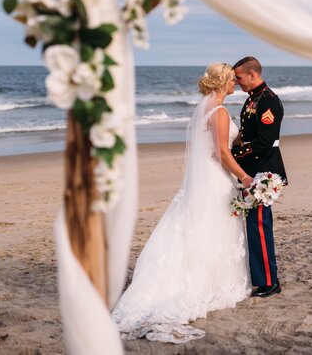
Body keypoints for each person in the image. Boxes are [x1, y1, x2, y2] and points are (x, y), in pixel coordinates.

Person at [112, 63, 252, 343]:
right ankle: (209, 283)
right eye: (231, 81)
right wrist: (245, 177)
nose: (235, 84)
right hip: (215, 180)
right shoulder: (220, 112)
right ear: (223, 83)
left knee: (197, 227)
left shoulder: (204, 110)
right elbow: (222, 154)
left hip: (203, 181)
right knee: (214, 228)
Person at [233, 56, 287, 298]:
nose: (236, 82)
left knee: (259, 226)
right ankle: (264, 278)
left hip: (263, 170)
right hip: (255, 169)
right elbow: (247, 133)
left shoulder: (268, 101)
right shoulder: (253, 99)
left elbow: (265, 143)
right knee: (255, 225)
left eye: (239, 78)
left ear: (252, 74)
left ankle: (269, 283)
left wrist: (234, 155)